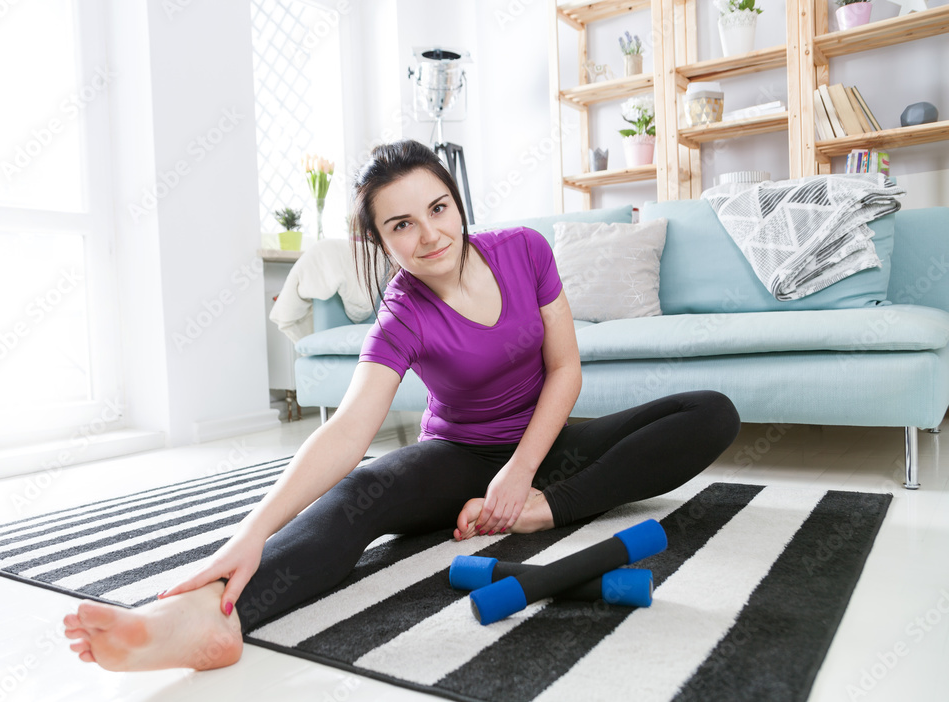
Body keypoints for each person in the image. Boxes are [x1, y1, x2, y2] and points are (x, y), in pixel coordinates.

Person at [63, 139, 740, 671]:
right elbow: (348, 432)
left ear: (457, 203)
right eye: (402, 225)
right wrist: (252, 532)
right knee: (364, 491)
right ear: (382, 242)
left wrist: (527, 485)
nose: (429, 235)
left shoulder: (525, 251)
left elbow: (565, 371)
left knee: (711, 413)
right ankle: (211, 621)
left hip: (541, 446)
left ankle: (546, 511)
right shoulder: (402, 313)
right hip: (455, 459)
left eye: (438, 209)